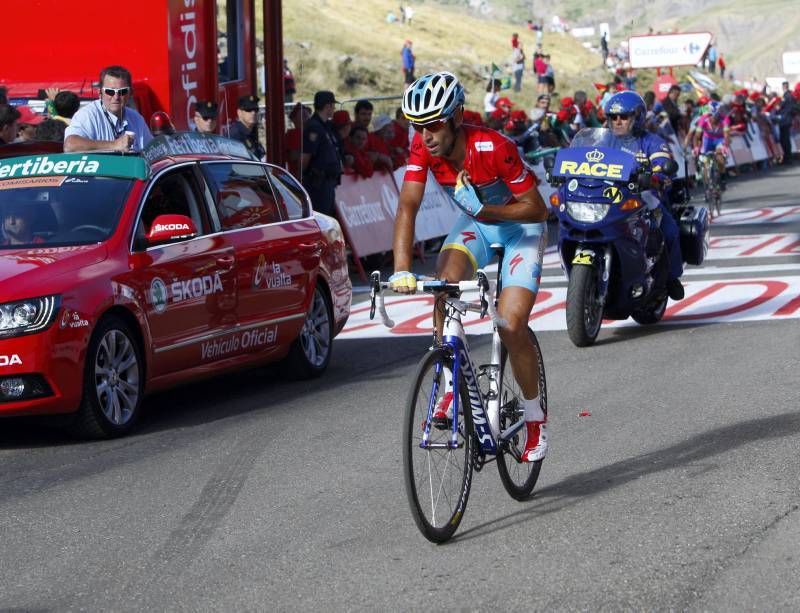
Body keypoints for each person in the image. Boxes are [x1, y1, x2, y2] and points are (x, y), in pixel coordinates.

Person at [390, 71, 550, 462]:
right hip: (475, 225)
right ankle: (448, 385)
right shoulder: (422, 148)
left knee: (511, 324)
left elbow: (537, 207)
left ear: (456, 116)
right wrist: (401, 267)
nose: (425, 135)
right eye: (418, 126)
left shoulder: (494, 146)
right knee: (444, 285)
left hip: (518, 229)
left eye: (433, 125)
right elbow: (408, 204)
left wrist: (484, 209)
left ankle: (534, 419)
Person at [605, 91, 684, 300]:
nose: (618, 121)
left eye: (624, 117)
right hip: (607, 197)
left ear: (638, 117)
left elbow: (663, 164)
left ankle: (672, 277)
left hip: (643, 197)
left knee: (669, 230)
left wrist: (658, 175)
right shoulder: (603, 141)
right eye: (613, 117)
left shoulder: (652, 141)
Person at [64, 65, 152, 152]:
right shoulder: (87, 115)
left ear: (130, 93)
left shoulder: (136, 119)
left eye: (122, 91)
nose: (116, 97)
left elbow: (152, 151)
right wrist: (114, 145)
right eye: (110, 91)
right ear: (100, 93)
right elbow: (70, 145)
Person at [301, 91, 342, 216]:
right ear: (327, 106)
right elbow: (305, 156)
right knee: (321, 217)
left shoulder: (325, 126)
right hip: (318, 185)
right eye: (332, 105)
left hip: (328, 183)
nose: (334, 108)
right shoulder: (314, 127)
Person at [778, 81, 796, 166]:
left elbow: (781, 107)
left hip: (784, 119)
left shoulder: (786, 96)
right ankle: (788, 157)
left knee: (784, 139)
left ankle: (787, 157)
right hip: (788, 119)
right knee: (786, 139)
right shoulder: (791, 96)